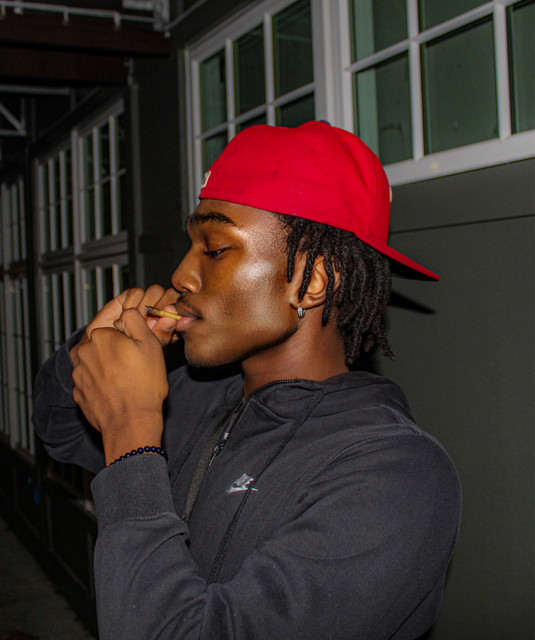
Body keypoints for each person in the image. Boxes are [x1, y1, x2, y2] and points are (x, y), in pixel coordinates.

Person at [33, 121, 461, 640]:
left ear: (313, 281)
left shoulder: (395, 475)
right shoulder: (191, 394)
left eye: (214, 249)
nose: (181, 276)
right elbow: (59, 427)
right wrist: (92, 348)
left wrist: (130, 428)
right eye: (191, 246)